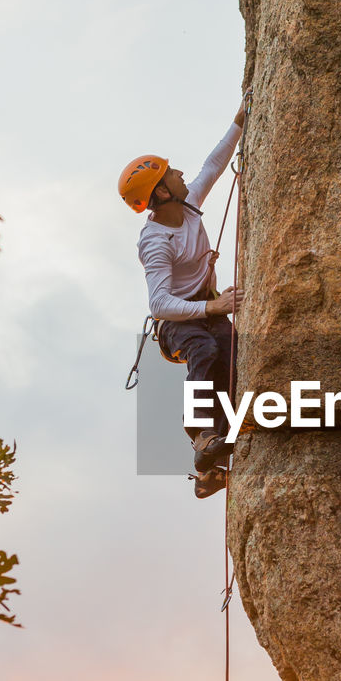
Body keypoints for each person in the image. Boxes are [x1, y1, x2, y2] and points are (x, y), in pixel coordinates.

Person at [118, 101, 246, 498]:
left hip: (208, 310)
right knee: (205, 349)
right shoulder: (155, 241)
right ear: (160, 190)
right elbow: (159, 304)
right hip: (177, 324)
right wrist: (213, 306)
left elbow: (213, 164)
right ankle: (201, 435)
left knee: (230, 356)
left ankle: (212, 466)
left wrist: (240, 121)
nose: (180, 173)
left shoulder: (188, 204)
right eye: (171, 173)